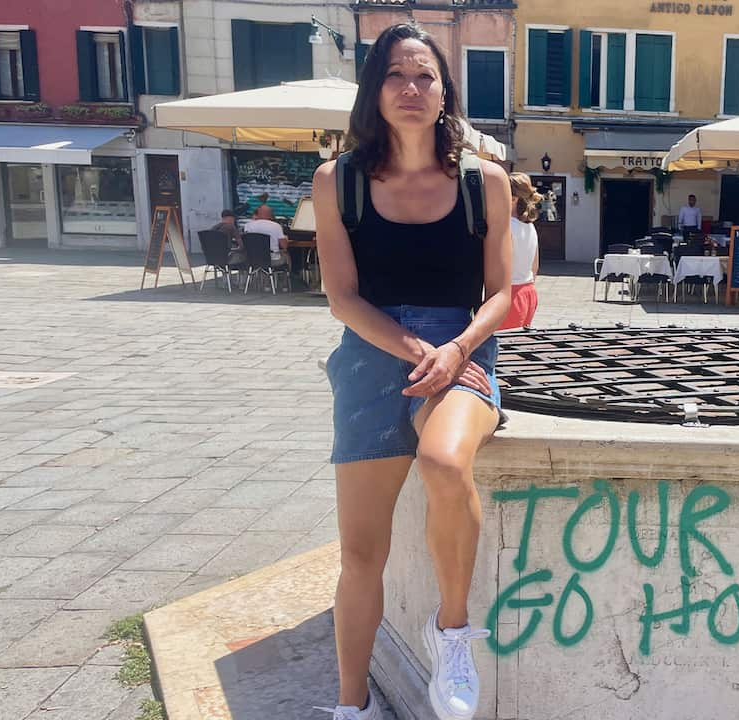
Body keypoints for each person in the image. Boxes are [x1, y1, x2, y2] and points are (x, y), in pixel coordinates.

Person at [310, 24, 512, 720]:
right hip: (371, 355)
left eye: (426, 76)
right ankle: (350, 706)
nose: (412, 88)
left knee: (447, 464)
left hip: (460, 348)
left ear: (445, 92)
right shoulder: (339, 182)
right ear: (374, 89)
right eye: (396, 75)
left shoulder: (485, 182)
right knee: (361, 553)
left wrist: (454, 350)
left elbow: (500, 295)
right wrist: (409, 346)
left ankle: (452, 633)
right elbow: (342, 296)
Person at [498, 172, 541, 330]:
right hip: (528, 292)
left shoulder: (505, 226)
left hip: (509, 295)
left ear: (514, 199)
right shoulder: (530, 226)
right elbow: (534, 267)